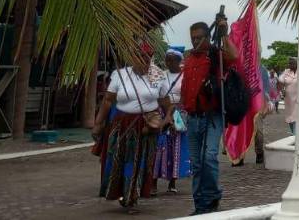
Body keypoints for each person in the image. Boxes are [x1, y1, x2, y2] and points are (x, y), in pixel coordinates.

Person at [92, 42, 173, 212]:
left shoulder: (157, 75)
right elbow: (107, 101)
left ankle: (131, 197)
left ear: (150, 58)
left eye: (146, 58)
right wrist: (98, 124)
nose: (142, 61)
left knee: (137, 162)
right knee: (118, 161)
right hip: (121, 124)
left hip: (145, 127)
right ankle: (121, 193)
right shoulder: (120, 75)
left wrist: (165, 121)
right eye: (139, 57)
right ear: (132, 58)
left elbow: (166, 103)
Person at [181, 20, 238, 216]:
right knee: (196, 164)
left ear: (207, 36)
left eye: (199, 38)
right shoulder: (188, 59)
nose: (195, 41)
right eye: (193, 38)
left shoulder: (216, 57)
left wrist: (223, 34)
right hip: (192, 118)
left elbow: (234, 56)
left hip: (212, 117)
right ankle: (200, 205)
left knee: (209, 157)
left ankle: (212, 195)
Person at [154, 48, 190, 194]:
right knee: (159, 147)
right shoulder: (161, 75)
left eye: (171, 59)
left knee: (176, 147)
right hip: (162, 111)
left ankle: (172, 183)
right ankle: (153, 183)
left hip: (178, 114)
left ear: (178, 60)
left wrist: (176, 116)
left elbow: (185, 96)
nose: (168, 62)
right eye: (167, 59)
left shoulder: (185, 76)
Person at [277, 59, 299, 134]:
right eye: (289, 64)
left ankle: (295, 134)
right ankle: (293, 132)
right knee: (289, 117)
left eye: (292, 63)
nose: (290, 65)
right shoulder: (286, 72)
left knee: (296, 117)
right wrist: (282, 89)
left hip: (298, 98)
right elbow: (280, 80)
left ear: (296, 64)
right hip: (288, 99)